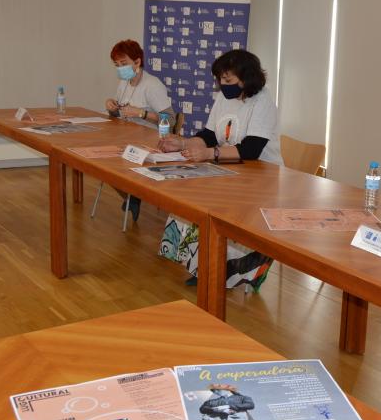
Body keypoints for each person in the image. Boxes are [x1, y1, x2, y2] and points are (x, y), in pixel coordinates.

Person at [158, 49, 281, 289]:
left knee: (227, 212)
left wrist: (210, 153)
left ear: (247, 78)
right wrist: (182, 143)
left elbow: (251, 149)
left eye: (228, 80)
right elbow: (210, 134)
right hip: (232, 168)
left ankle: (238, 271)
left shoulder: (263, 101)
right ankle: (202, 266)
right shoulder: (224, 98)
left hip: (262, 175)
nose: (222, 86)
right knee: (194, 202)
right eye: (220, 80)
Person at [104, 39, 172, 222]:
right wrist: (111, 106)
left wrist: (141, 113)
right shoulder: (124, 82)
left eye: (123, 64)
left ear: (137, 62)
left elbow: (169, 120)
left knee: (111, 162)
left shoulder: (152, 85)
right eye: (116, 65)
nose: (120, 68)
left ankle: (134, 193)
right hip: (126, 137)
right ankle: (131, 195)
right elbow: (118, 111)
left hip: (148, 141)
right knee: (102, 163)